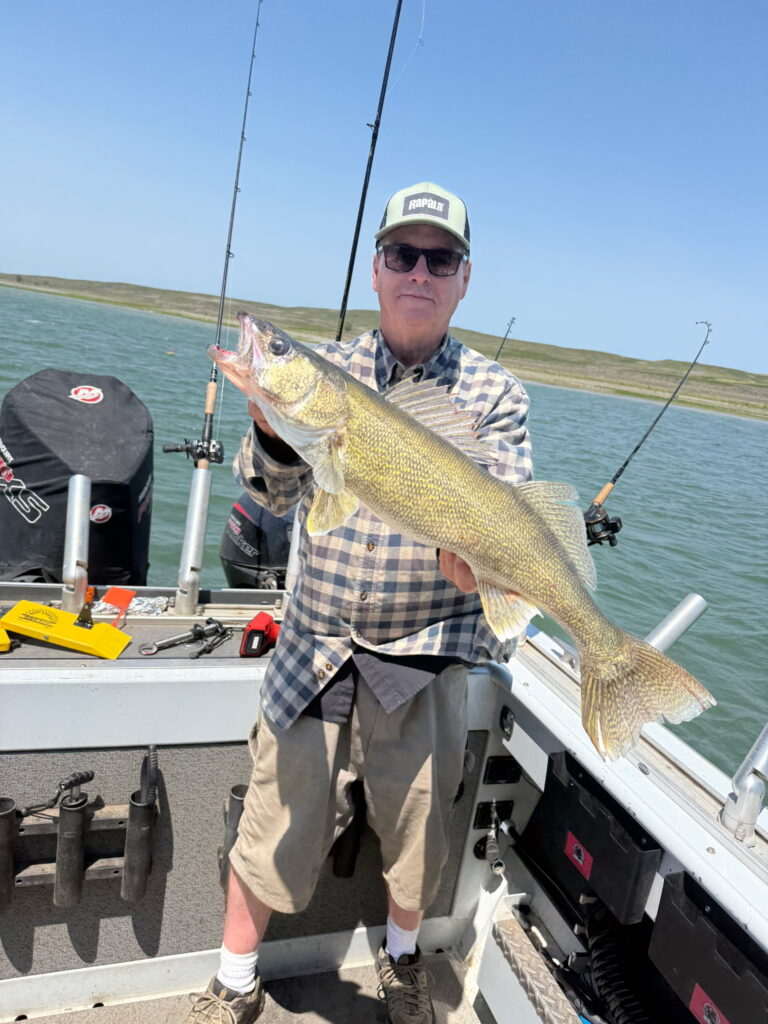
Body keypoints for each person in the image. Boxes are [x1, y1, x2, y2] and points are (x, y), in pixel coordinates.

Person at [183, 182, 532, 1024]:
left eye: (438, 258)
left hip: (422, 653)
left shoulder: (495, 394)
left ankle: (404, 963)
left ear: (463, 278)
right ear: (376, 271)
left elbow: (511, 510)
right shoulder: (325, 373)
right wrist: (271, 423)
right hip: (315, 646)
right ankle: (234, 980)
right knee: (270, 824)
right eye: (401, 255)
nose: (419, 270)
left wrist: (484, 567)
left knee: (418, 839)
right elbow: (270, 497)